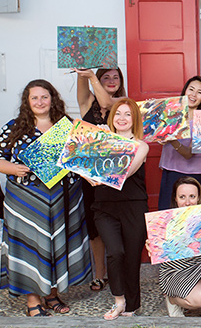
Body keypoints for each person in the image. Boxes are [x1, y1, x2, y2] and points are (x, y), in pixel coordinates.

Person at [0, 80, 91, 316]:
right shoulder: (14, 127)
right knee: (30, 248)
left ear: (52, 99)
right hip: (25, 201)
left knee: (57, 245)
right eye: (34, 98)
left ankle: (52, 294)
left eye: (44, 97)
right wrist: (14, 169)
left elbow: (84, 156)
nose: (40, 102)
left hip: (63, 197)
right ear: (27, 101)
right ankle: (33, 300)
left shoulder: (67, 126)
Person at [93, 99, 150, 320]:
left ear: (134, 119)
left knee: (132, 257)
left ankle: (132, 305)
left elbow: (125, 171)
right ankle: (119, 300)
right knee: (115, 252)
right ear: (112, 117)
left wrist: (105, 144)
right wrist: (94, 143)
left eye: (128, 114)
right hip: (104, 206)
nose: (122, 118)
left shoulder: (141, 146)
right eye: (118, 113)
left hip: (133, 206)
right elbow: (84, 167)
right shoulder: (99, 141)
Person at [75, 67, 126, 292]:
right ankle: (100, 273)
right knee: (95, 226)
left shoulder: (123, 103)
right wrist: (82, 69)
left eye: (116, 77)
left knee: (118, 223)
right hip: (90, 177)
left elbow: (106, 102)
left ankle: (119, 271)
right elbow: (83, 83)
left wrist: (92, 77)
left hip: (118, 175)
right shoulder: (87, 102)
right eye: (106, 77)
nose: (112, 80)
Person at [158, 177, 201, 318]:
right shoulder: (167, 219)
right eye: (182, 197)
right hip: (176, 272)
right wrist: (152, 246)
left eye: (192, 196)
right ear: (176, 199)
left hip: (200, 265)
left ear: (198, 197)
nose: (187, 202)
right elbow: (157, 247)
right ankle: (172, 300)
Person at [158, 76, 201, 210]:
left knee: (194, 215)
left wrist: (172, 139)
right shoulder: (169, 114)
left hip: (196, 173)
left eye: (199, 92)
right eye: (191, 89)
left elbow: (189, 154)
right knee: (169, 212)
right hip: (171, 169)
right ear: (185, 91)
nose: (193, 95)